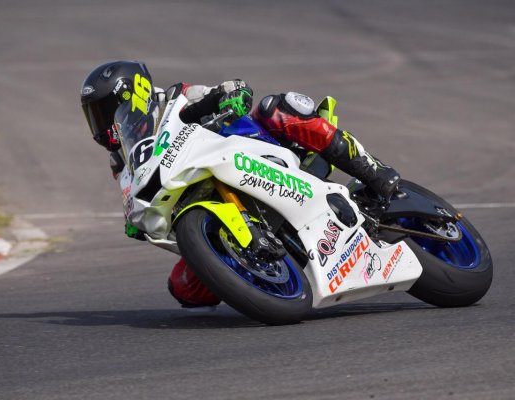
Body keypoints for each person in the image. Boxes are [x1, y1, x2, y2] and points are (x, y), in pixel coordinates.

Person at [81, 60, 400, 309]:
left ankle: (375, 172)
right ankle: (263, 277)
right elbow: (132, 201)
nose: (100, 123)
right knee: (184, 289)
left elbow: (233, 88)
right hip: (207, 198)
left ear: (132, 95)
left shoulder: (175, 98)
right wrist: (136, 223)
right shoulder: (122, 161)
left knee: (279, 107)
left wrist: (230, 96)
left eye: (103, 111)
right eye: (93, 115)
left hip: (260, 149)